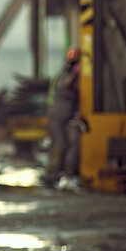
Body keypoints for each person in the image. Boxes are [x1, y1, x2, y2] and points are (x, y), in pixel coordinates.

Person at [45, 47, 81, 187]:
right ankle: (51, 176)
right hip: (58, 114)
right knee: (59, 144)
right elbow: (68, 86)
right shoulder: (66, 76)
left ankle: (59, 174)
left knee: (66, 144)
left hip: (61, 114)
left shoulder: (62, 74)